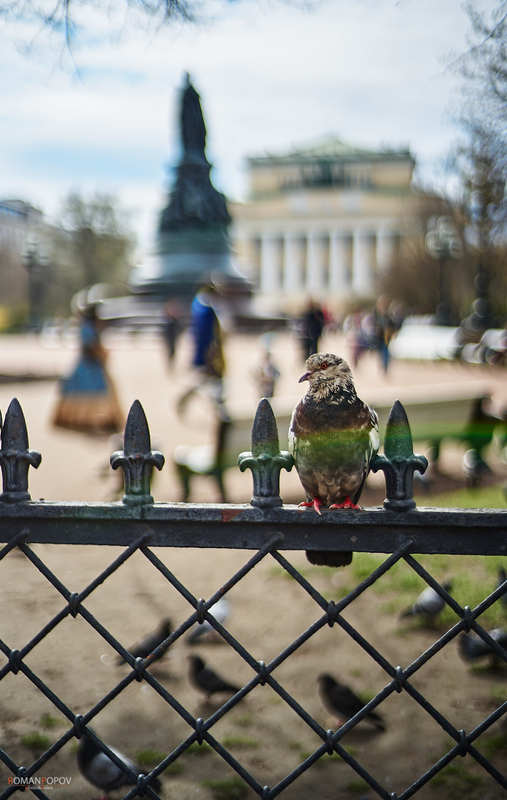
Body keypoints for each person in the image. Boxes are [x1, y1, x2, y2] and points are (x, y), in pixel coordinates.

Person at [52, 303, 123, 433]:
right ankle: (86, 420)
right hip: (89, 364)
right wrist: (100, 353)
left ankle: (95, 420)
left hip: (92, 363)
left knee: (90, 392)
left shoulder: (89, 326)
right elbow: (88, 346)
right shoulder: (87, 327)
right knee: (91, 391)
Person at [177, 284, 226, 414]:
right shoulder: (207, 310)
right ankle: (219, 410)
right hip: (210, 353)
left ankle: (217, 407)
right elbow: (208, 335)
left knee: (208, 380)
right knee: (213, 381)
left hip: (203, 352)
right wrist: (211, 353)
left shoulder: (198, 306)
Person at [161, 300, 183, 368]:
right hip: (169, 337)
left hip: (173, 337)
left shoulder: (175, 320)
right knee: (169, 350)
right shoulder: (167, 320)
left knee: (173, 351)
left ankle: (171, 363)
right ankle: (169, 363)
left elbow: (180, 328)